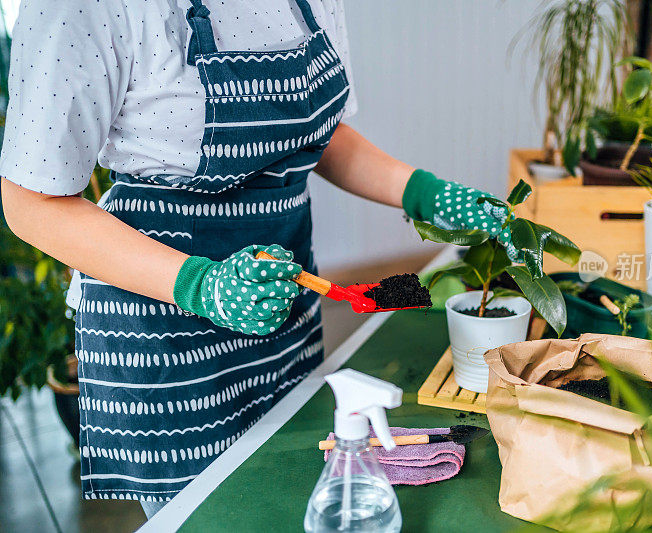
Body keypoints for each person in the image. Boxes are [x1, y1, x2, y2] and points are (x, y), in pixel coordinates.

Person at [0, 0, 514, 519]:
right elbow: (31, 203)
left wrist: (421, 193)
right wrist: (204, 286)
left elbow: (316, 131)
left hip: (283, 306)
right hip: (167, 332)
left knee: (289, 489)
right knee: (216, 516)